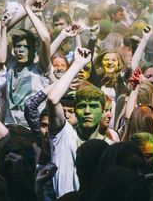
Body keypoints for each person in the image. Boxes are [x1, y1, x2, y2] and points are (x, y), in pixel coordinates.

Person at [47, 47, 113, 198]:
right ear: (75, 110)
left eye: (94, 106)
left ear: (103, 111)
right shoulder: (64, 136)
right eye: (82, 106)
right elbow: (52, 100)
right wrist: (77, 64)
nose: (88, 111)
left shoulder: (110, 147)